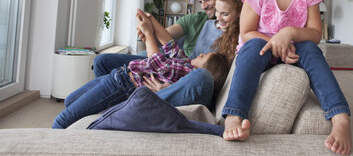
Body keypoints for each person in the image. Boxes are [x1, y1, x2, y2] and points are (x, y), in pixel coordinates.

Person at [221, 0, 352, 155]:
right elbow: (246, 32)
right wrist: (275, 42)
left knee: (311, 50)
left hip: (294, 48)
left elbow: (314, 33)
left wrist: (289, 32)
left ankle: (341, 119)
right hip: (260, 47)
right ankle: (234, 115)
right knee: (251, 46)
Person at [52, 8, 230, 129]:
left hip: (122, 85)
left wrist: (147, 34)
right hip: (117, 76)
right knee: (70, 101)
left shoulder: (190, 74)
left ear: (208, 70)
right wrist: (150, 20)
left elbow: (156, 62)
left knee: (62, 120)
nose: (200, 54)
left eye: (204, 57)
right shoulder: (184, 61)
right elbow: (168, 42)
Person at [93, 0, 225, 78]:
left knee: (103, 63)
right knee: (101, 61)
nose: (203, 6)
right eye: (200, 1)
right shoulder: (195, 19)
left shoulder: (228, 33)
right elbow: (164, 37)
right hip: (169, 60)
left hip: (177, 72)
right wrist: (147, 30)